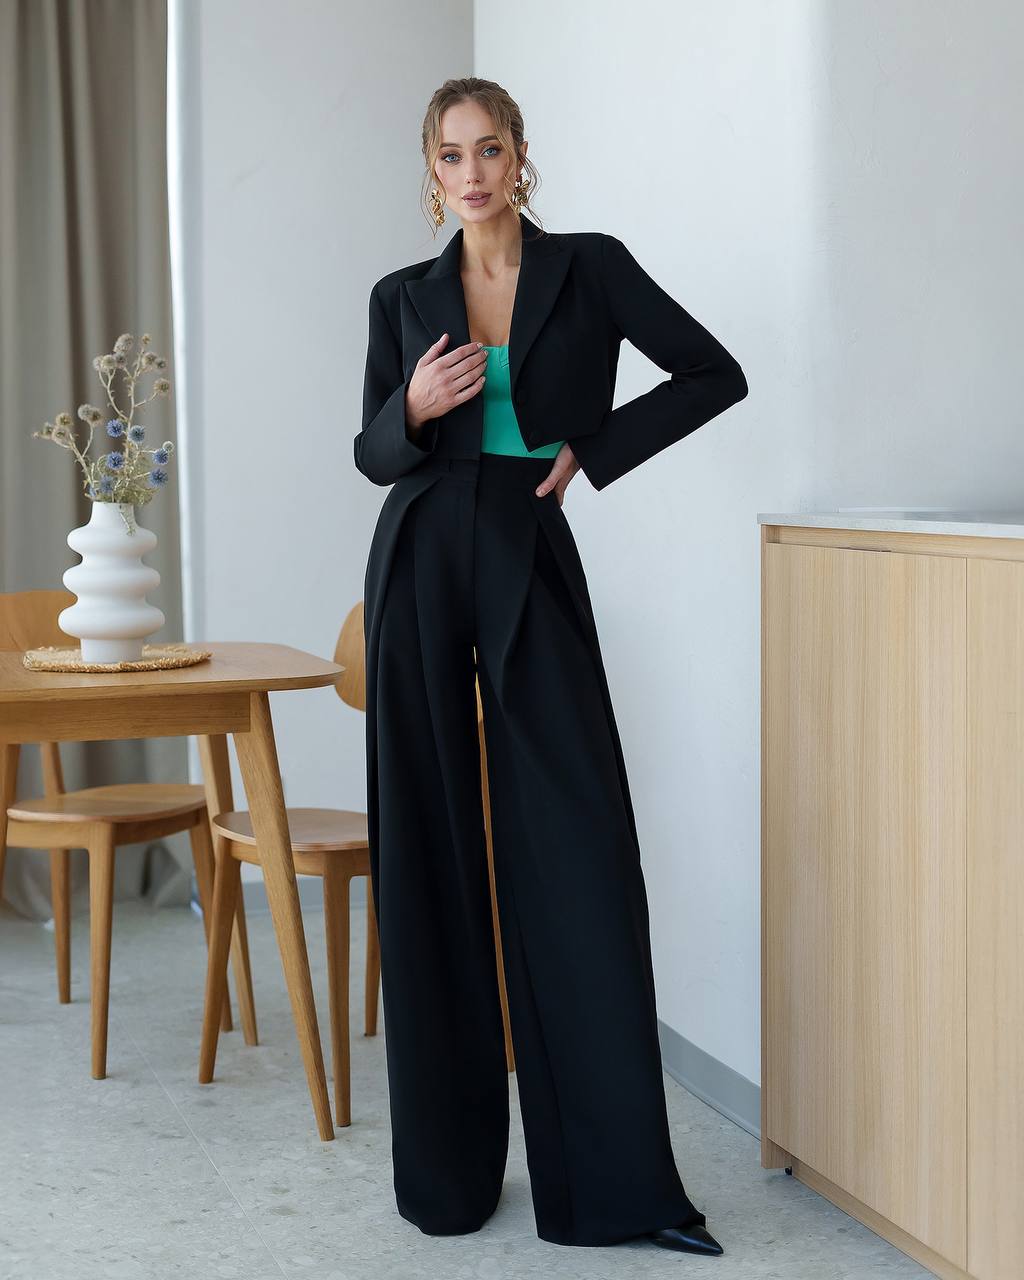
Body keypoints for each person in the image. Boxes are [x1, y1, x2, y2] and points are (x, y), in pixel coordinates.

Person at [354, 76, 747, 1256]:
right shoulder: (403, 294)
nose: (471, 171)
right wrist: (414, 408)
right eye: (450, 154)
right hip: (421, 550)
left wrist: (592, 446)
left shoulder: (591, 265)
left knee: (574, 844)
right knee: (428, 841)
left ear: (522, 157)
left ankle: (621, 1189)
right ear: (429, 170)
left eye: (490, 149)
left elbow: (711, 371)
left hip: (529, 542)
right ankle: (447, 1178)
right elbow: (371, 450)